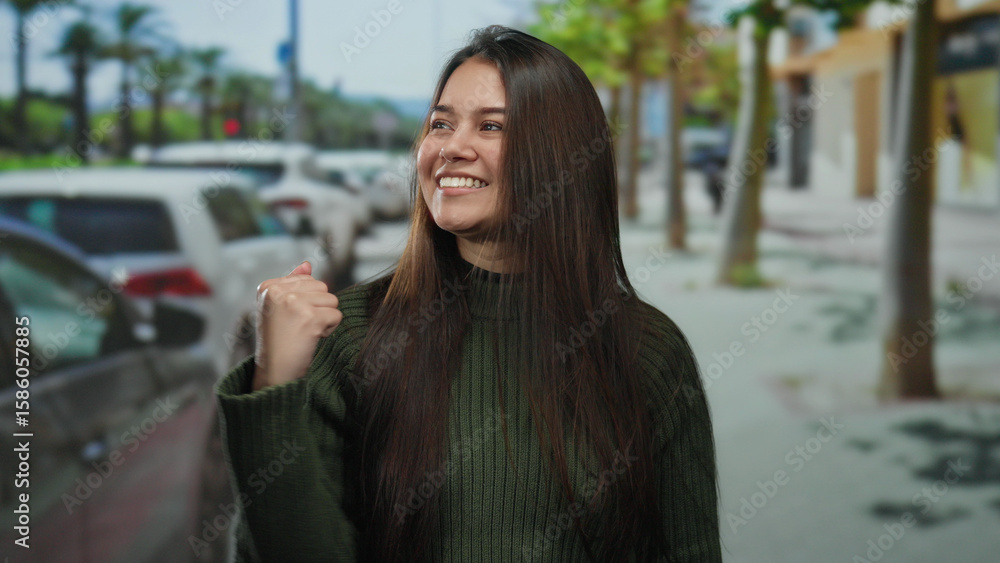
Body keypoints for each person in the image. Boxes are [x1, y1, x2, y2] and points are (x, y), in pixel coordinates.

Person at [216, 25, 721, 562]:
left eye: (492, 127)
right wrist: (273, 383)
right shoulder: (351, 340)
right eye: (441, 123)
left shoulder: (647, 350)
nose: (452, 148)